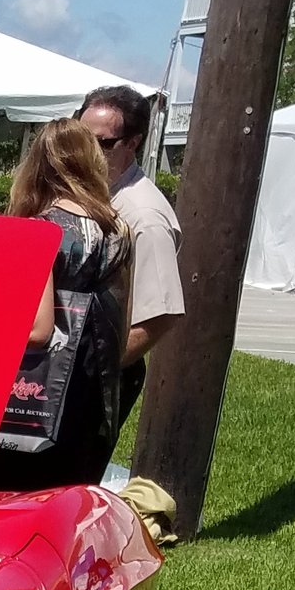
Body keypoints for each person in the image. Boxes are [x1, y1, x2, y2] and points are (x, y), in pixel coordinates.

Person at [0, 119, 132, 490]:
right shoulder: (117, 229)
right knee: (71, 506)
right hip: (94, 395)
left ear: (37, 165)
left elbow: (38, 330)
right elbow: (122, 317)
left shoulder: (38, 230)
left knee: (20, 506)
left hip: (34, 404)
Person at [81, 84, 182, 431]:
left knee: (67, 483)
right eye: (81, 138)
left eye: (102, 143)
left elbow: (161, 313)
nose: (87, 151)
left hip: (99, 375)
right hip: (68, 367)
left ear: (133, 143)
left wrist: (99, 369)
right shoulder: (95, 195)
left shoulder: (144, 216)